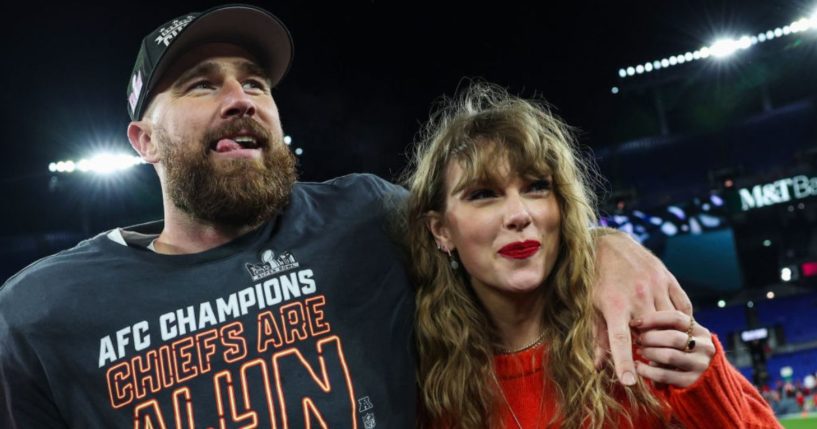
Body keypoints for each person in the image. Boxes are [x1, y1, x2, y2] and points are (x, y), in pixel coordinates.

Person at [1, 5, 689, 428]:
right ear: (142, 141)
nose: (240, 96)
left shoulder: (364, 217)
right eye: (201, 83)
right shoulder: (43, 310)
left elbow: (492, 222)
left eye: (255, 81)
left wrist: (603, 242)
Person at [403, 81, 781, 428]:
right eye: (483, 194)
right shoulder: (420, 378)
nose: (519, 215)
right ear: (441, 230)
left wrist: (708, 390)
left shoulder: (634, 335)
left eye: (536, 187)